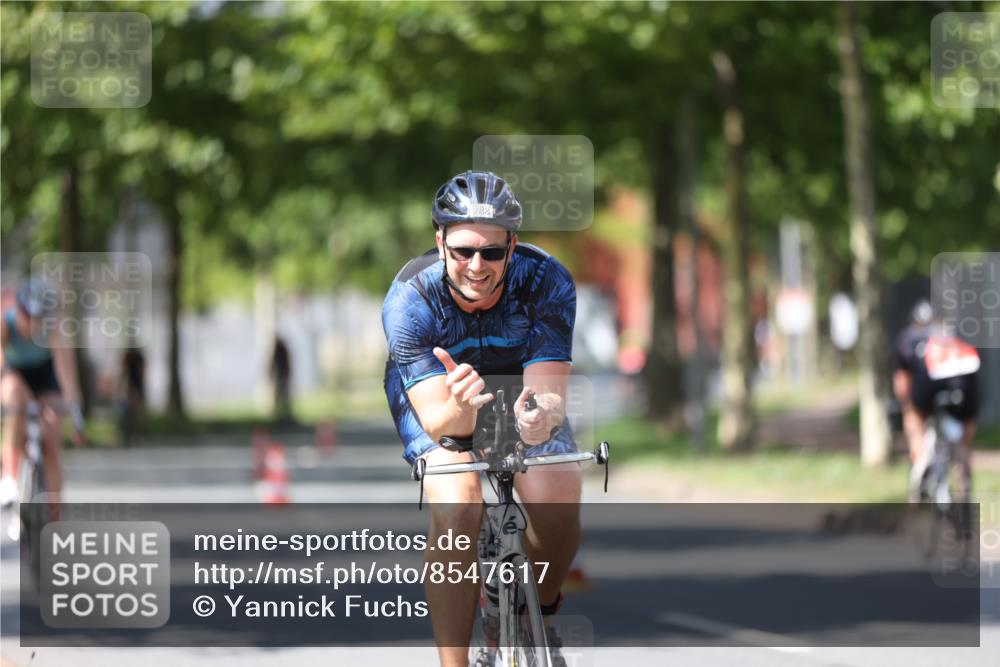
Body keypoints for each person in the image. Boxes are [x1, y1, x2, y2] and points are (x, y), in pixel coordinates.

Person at [382, 171, 580, 667]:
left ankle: (539, 609)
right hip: (439, 397)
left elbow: (549, 395)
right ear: (440, 242)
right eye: (463, 250)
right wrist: (462, 408)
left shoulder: (547, 281)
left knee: (556, 486)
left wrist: (540, 418)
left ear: (512, 246)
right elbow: (437, 420)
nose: (476, 265)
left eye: (491, 252)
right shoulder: (410, 297)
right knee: (458, 506)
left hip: (517, 390)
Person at [0, 279, 85, 515]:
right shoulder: (5, 325)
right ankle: (9, 476)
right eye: (27, 315)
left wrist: (77, 416)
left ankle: (55, 515)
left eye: (39, 317)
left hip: (44, 377)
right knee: (15, 399)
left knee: (52, 433)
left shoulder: (53, 328)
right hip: (14, 375)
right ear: (17, 310)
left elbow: (67, 375)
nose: (33, 323)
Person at [893, 299, 980, 501]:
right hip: (963, 387)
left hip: (927, 387)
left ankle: (919, 457)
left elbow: (902, 384)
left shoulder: (909, 339)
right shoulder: (960, 334)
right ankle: (963, 477)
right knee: (963, 441)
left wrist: (907, 408)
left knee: (913, 414)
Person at [270, 336, 292, 422]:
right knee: (280, 396)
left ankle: (283, 414)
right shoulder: (280, 351)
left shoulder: (280, 351)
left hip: (281, 376)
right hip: (281, 376)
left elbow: (274, 364)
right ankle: (280, 414)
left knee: (282, 395)